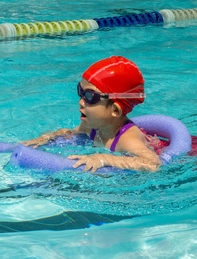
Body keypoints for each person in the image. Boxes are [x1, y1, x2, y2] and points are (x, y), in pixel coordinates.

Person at [22, 56, 162, 172]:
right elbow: (69, 133)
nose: (81, 102)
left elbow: (154, 164)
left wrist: (104, 159)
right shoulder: (90, 126)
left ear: (115, 110)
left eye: (89, 96)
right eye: (80, 92)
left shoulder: (126, 139)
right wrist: (46, 138)